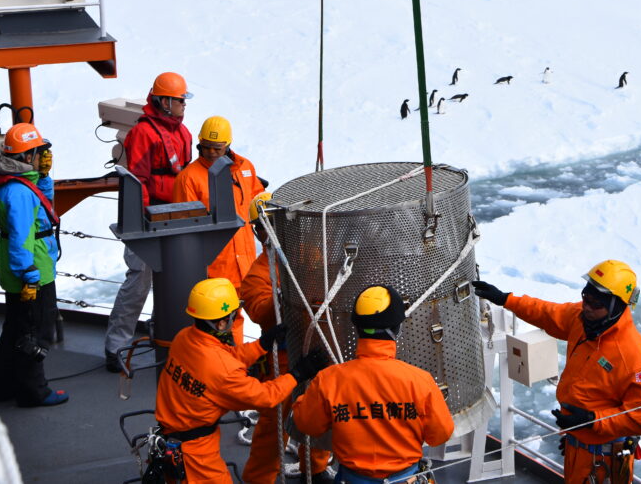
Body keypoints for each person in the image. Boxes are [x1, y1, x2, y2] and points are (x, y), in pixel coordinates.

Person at [473, 260, 641, 484]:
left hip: (605, 459)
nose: (587, 307)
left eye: (595, 303)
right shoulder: (581, 320)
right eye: (585, 298)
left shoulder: (635, 357)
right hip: (576, 445)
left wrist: (592, 420)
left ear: (616, 306)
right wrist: (506, 299)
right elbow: (546, 313)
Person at [155, 277, 327, 484]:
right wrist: (298, 374)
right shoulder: (222, 371)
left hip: (172, 437)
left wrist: (261, 345)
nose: (235, 320)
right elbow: (266, 397)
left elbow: (223, 359)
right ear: (221, 322)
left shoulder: (184, 338)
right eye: (233, 316)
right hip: (195, 454)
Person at [292, 285, 454, 484]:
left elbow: (307, 424)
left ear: (357, 328)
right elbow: (440, 434)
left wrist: (302, 400)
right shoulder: (420, 381)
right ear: (397, 328)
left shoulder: (329, 380)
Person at [240, 193, 332, 484]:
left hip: (316, 349)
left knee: (318, 414)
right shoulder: (258, 274)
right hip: (283, 358)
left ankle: (314, 469)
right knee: (272, 427)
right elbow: (259, 310)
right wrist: (285, 296)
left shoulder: (310, 254)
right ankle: (258, 479)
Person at [105, 71, 194, 372]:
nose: (184, 105)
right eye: (181, 100)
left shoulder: (183, 133)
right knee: (139, 283)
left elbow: (186, 175)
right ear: (165, 101)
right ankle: (116, 346)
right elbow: (137, 179)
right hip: (147, 220)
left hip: (173, 218)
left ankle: (162, 336)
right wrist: (142, 220)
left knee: (171, 282)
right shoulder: (143, 133)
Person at [0, 122, 68, 407]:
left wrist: (44, 177)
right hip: (32, 272)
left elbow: (43, 201)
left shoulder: (13, 182)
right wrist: (29, 274)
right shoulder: (20, 192)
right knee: (36, 331)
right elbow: (22, 236)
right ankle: (34, 391)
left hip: (21, 270)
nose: (40, 156)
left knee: (15, 327)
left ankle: (6, 386)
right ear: (25, 157)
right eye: (37, 152)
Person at [173, 115, 265, 343]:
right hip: (215, 267)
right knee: (221, 323)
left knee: (242, 317)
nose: (212, 153)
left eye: (217, 148)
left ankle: (236, 364)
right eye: (206, 148)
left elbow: (257, 203)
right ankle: (225, 367)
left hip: (245, 265)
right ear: (199, 144)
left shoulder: (245, 168)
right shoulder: (189, 179)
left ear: (228, 145)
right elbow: (185, 228)